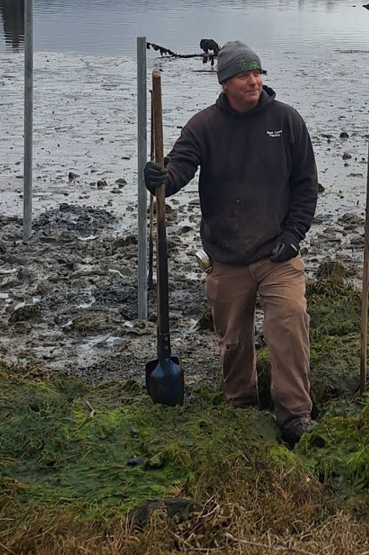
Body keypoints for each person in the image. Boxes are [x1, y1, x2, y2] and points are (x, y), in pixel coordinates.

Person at [144, 41, 318, 444]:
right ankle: (241, 404)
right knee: (234, 341)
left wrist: (293, 237)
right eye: (244, 75)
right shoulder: (204, 126)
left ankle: (294, 413)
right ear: (224, 82)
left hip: (278, 253)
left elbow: (306, 186)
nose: (254, 81)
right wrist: (161, 180)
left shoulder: (286, 121)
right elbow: (179, 167)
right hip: (226, 257)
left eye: (258, 73)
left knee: (290, 320)